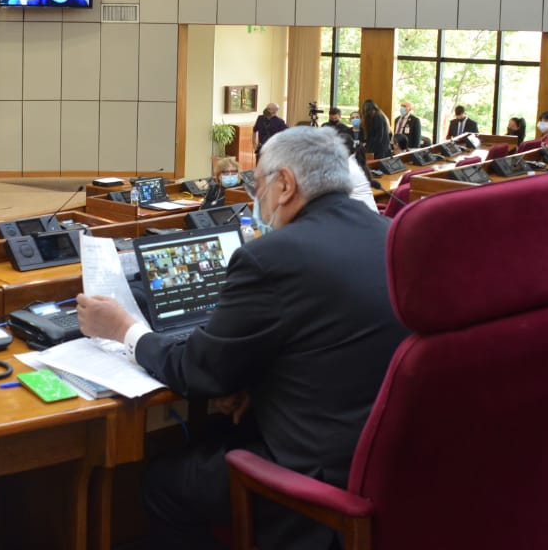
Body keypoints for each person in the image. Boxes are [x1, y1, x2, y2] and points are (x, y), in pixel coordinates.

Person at [75, 127, 407, 549]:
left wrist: (124, 328)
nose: (257, 193)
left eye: (259, 181)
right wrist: (256, 383)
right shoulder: (391, 234)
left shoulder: (273, 257)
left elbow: (197, 372)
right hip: (387, 465)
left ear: (285, 184)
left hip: (316, 477)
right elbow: (336, 342)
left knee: (164, 483)